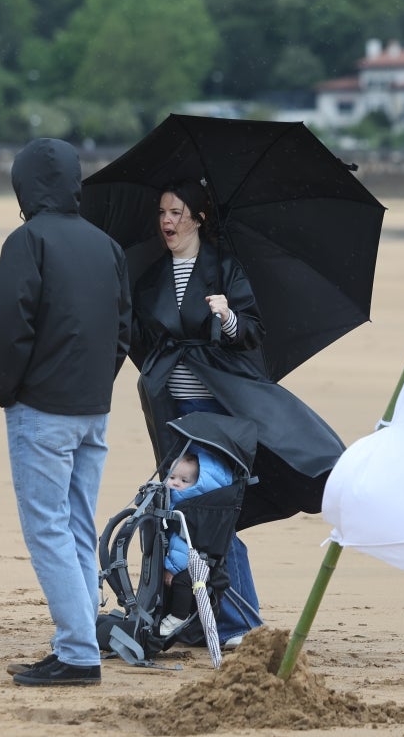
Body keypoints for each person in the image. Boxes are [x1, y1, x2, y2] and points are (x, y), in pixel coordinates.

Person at [126, 180, 345, 648]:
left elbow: (251, 333)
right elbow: (145, 342)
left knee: (210, 516)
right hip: (173, 415)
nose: (168, 221)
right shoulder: (151, 278)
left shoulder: (226, 269)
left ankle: (238, 624)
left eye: (178, 212)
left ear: (199, 218)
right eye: (163, 212)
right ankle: (191, 617)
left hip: (217, 416)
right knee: (171, 512)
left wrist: (225, 318)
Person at [0, 138, 131, 687]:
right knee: (74, 522)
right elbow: (123, 329)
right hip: (92, 408)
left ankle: (77, 651)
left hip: (42, 408)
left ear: (23, 187)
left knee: (46, 526)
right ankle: (75, 640)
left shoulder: (27, 241)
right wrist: (97, 381)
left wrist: (7, 390)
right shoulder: (106, 246)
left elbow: (10, 325)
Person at [157, 448, 233, 638]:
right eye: (172, 477)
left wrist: (172, 569)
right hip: (187, 560)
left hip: (194, 564)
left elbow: (183, 545)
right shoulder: (173, 500)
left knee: (183, 581)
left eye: (184, 481)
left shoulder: (190, 508)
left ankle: (178, 616)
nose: (175, 483)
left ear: (196, 485)